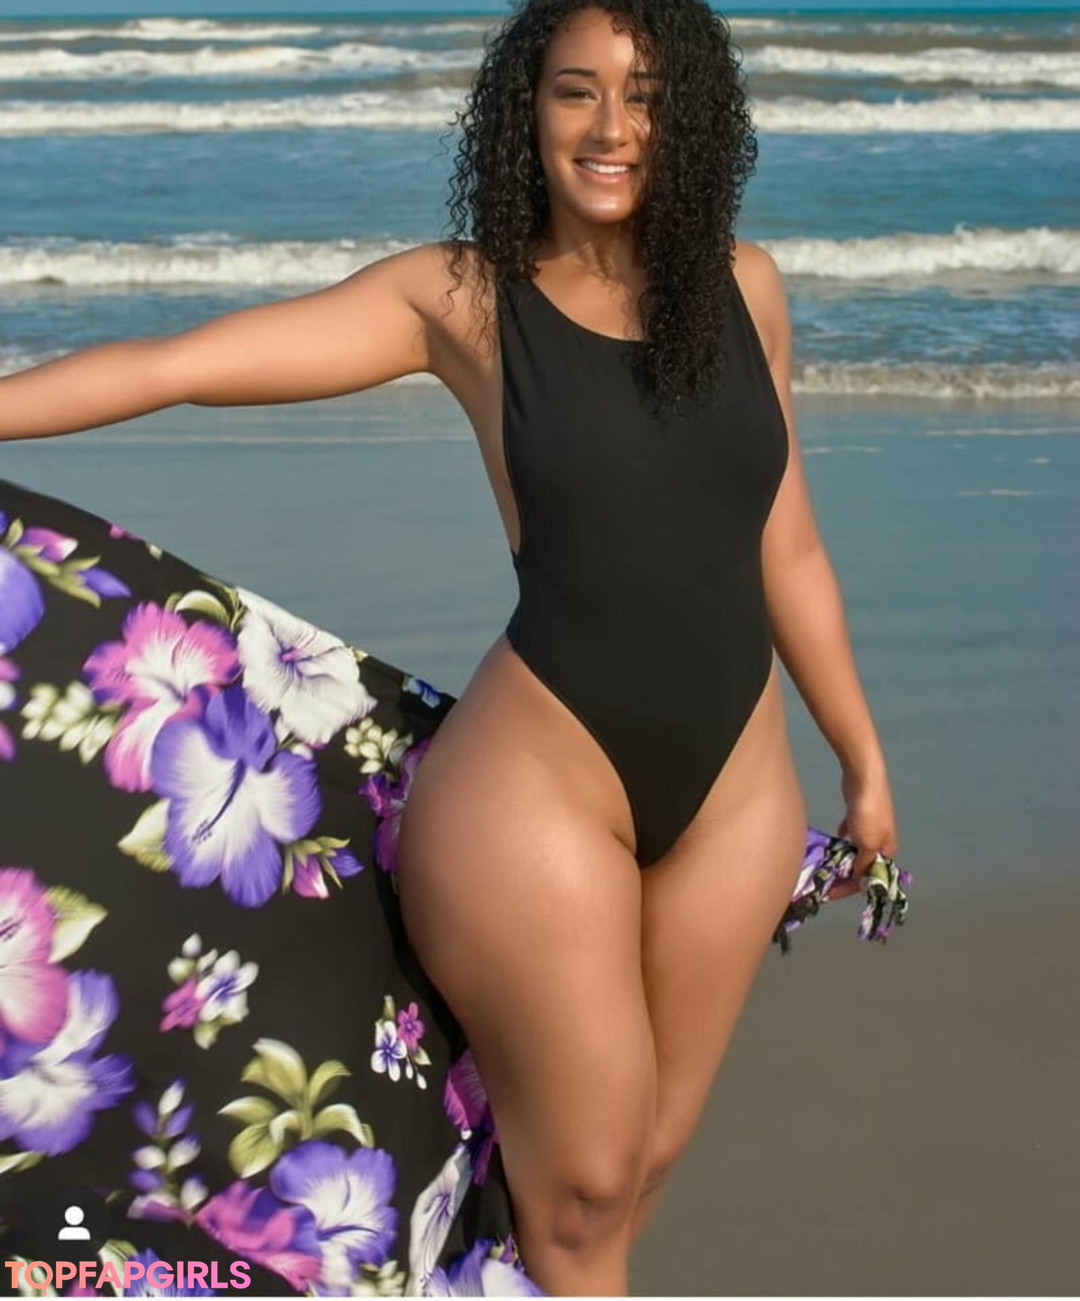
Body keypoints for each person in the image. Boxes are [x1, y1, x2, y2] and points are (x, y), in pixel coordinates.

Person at [0, 0, 899, 1295]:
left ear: (689, 118)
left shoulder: (746, 289)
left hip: (739, 791)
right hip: (543, 785)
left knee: (639, 1161)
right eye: (576, 90)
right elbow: (183, 364)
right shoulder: (465, 298)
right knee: (583, 1188)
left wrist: (861, 758)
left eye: (644, 96)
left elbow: (788, 545)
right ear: (526, 109)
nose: (609, 127)